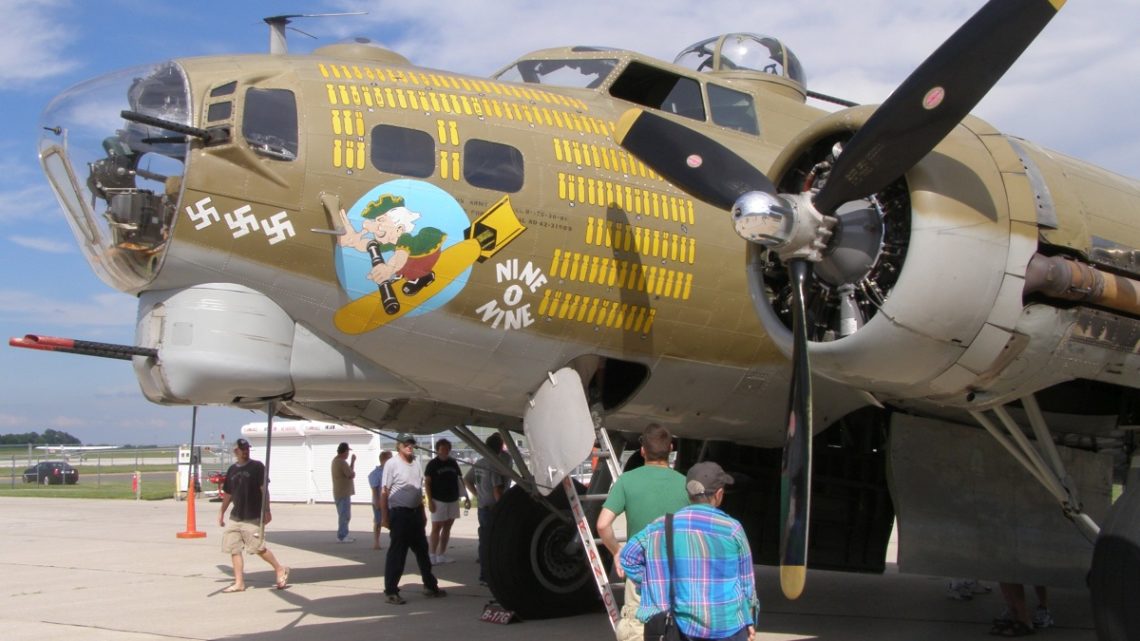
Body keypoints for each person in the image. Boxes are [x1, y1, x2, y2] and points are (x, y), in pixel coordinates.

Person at [621, 461, 758, 641]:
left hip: (683, 627)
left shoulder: (661, 526)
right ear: (719, 494)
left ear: (688, 493)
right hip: (729, 627)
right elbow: (747, 584)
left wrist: (656, 581)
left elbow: (628, 557)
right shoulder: (732, 529)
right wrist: (749, 620)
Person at [597, 424, 689, 641]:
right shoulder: (685, 484)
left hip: (641, 572)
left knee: (637, 629)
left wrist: (617, 552)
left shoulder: (627, 480)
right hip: (677, 571)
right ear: (671, 449)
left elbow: (602, 525)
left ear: (643, 451)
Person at [380, 433, 446, 604]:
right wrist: (384, 516)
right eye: (405, 444)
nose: (409, 446)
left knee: (422, 551)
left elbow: (419, 490)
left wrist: (423, 513)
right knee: (398, 553)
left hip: (415, 513)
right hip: (399, 514)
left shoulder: (416, 462)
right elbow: (384, 492)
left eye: (411, 444)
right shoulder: (392, 464)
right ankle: (391, 591)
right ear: (398, 446)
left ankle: (430, 586)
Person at [217, 438, 289, 593]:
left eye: (247, 448)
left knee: (257, 548)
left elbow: (264, 490)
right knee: (234, 549)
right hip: (236, 517)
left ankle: (279, 569)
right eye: (242, 448)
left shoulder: (257, 467)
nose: (245, 451)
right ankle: (239, 583)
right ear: (235, 451)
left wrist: (267, 510)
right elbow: (228, 494)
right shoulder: (232, 470)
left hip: (253, 515)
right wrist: (222, 512)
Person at [464, 432, 511, 585]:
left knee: (484, 542)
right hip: (493, 508)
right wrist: (502, 509)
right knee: (497, 543)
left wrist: (478, 494)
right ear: (499, 449)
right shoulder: (494, 465)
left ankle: (484, 575)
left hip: (483, 507)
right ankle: (491, 574)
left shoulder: (480, 463)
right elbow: (498, 490)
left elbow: (467, 479)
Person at [424, 438, 469, 564]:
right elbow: (427, 483)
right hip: (438, 500)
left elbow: (460, 480)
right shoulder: (432, 464)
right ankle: (432, 554)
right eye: (442, 449)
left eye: (447, 449)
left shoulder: (453, 463)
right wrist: (430, 501)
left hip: (452, 499)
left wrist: (466, 497)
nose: (445, 451)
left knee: (448, 527)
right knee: (436, 527)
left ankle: (442, 554)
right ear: (438, 450)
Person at [331, 442, 357, 543]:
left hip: (340, 492)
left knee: (344, 514)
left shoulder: (335, 460)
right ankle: (342, 536)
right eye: (347, 452)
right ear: (345, 451)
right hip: (343, 493)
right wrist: (353, 462)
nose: (348, 454)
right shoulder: (341, 462)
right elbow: (351, 474)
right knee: (344, 515)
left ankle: (344, 533)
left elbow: (348, 472)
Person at [368, 450, 393, 550]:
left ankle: (394, 541)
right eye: (389, 458)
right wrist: (376, 501)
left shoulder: (392, 471)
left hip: (391, 501)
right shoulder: (375, 473)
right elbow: (374, 489)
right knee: (378, 522)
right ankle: (376, 541)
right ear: (383, 460)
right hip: (379, 500)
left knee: (393, 522)